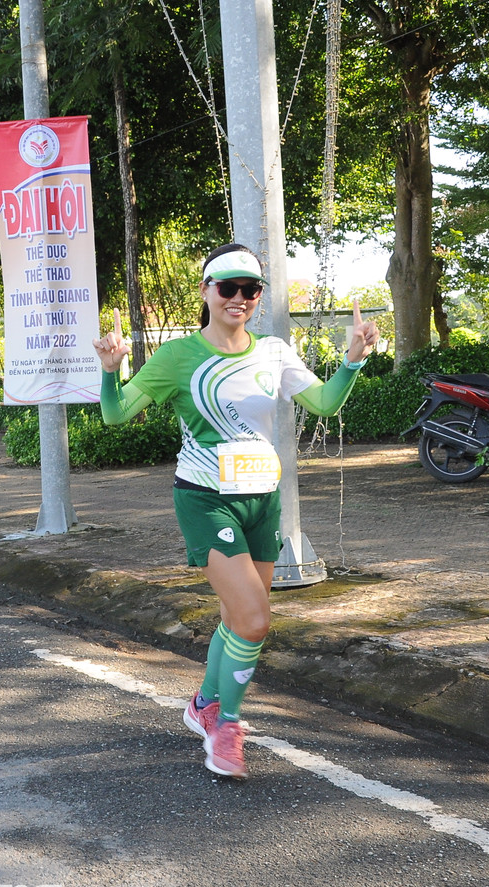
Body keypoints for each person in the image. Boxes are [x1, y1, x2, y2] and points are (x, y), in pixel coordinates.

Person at [92, 243, 378, 779]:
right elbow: (115, 415)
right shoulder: (178, 357)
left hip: (261, 502)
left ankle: (203, 703)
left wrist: (352, 362)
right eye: (228, 287)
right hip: (205, 500)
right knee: (253, 618)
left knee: (235, 618)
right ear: (205, 291)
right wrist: (110, 371)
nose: (240, 298)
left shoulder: (272, 351)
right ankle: (225, 727)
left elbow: (324, 403)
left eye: (250, 289)